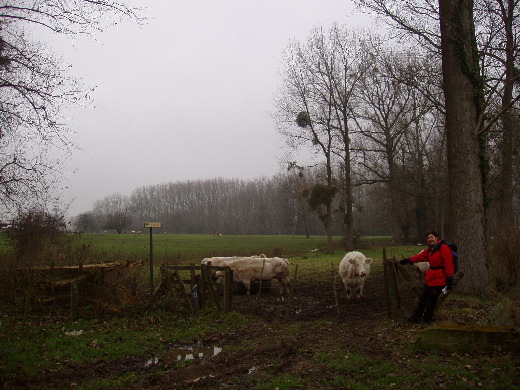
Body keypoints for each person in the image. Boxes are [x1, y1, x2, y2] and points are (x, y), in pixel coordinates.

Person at [400, 230, 455, 324]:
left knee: (432, 300)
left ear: (436, 238)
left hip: (440, 278)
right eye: (428, 238)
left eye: (432, 237)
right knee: (422, 298)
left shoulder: (443, 248)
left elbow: (448, 262)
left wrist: (449, 276)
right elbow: (420, 257)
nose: (430, 239)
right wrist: (408, 260)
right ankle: (415, 317)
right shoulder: (430, 249)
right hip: (430, 278)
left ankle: (427, 319)